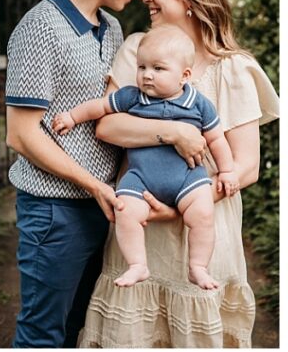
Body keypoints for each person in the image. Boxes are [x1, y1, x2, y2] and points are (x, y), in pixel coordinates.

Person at [78, 0, 279, 348]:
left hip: (203, 231)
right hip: (139, 230)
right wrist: (172, 132)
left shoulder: (233, 69)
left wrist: (179, 207)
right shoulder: (139, 51)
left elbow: (246, 167)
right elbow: (108, 124)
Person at [3, 0, 172, 348]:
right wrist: (92, 184)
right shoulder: (40, 27)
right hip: (54, 210)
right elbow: (20, 135)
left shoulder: (111, 27)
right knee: (43, 333)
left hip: (103, 204)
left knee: (80, 328)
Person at [52, 25, 238, 290]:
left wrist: (227, 171)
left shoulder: (198, 104)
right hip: (140, 177)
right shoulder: (132, 96)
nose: (147, 75)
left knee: (202, 214)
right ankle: (137, 265)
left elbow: (217, 139)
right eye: (142, 67)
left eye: (158, 69)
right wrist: (72, 116)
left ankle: (198, 267)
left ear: (184, 75)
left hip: (188, 177)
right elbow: (100, 107)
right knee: (125, 211)